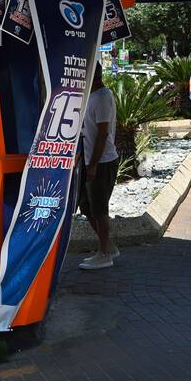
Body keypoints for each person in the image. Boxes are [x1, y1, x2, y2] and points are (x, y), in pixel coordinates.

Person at [79, 62, 120, 270]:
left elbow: (103, 133)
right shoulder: (89, 96)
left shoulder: (102, 96)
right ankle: (108, 246)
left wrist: (93, 164)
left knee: (99, 208)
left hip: (102, 161)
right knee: (87, 206)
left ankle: (104, 253)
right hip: (90, 160)